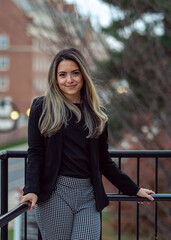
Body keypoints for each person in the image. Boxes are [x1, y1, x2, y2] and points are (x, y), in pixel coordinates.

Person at [20, 48, 154, 240]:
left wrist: (134, 189)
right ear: (55, 78)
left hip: (88, 196)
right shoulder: (42, 107)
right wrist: (31, 189)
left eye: (75, 73)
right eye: (62, 74)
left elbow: (104, 161)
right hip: (55, 195)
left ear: (83, 75)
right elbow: (35, 153)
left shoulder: (97, 114)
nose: (69, 80)